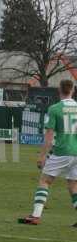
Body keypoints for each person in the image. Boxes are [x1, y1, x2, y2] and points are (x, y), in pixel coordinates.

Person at [20, 80, 77, 226]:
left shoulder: (55, 109)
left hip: (62, 150)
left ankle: (36, 216)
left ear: (59, 90)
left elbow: (49, 135)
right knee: (73, 185)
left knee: (45, 180)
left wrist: (42, 155)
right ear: (73, 90)